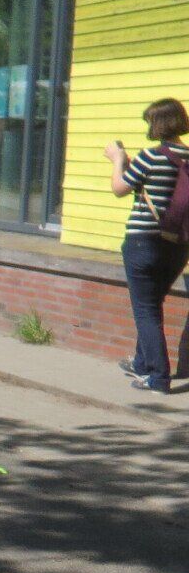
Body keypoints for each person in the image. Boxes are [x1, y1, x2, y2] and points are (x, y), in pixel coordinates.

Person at [108, 97, 189, 393]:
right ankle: (142, 363)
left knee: (145, 309)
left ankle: (158, 376)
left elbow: (119, 188)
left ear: (156, 124)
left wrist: (118, 160)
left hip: (144, 242)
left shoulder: (150, 156)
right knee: (152, 304)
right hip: (179, 245)